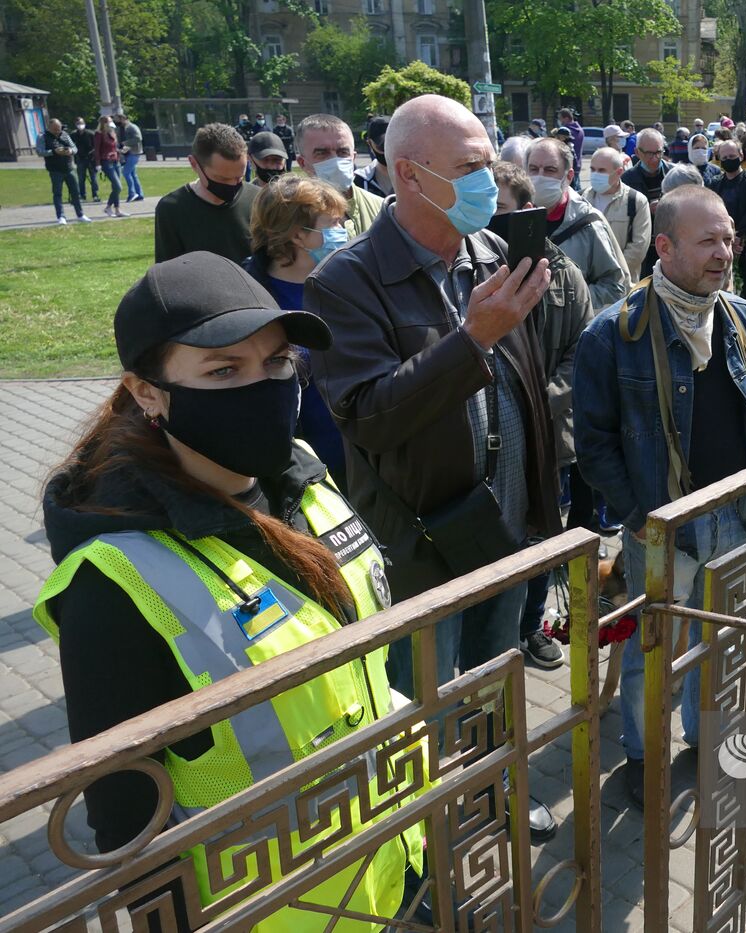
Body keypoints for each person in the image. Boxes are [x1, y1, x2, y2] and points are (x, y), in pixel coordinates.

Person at [34, 251, 423, 929]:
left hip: (391, 860)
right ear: (147, 391)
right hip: (272, 910)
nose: (265, 388)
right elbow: (124, 821)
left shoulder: (303, 476)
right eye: (223, 370)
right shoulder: (114, 583)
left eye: (276, 364)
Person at [304, 94, 559, 842]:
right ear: (410, 177)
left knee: (494, 680)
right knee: (421, 701)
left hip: (505, 525)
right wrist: (471, 338)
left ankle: (490, 796)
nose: (492, 179)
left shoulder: (489, 252)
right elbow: (370, 415)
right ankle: (418, 841)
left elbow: (529, 380)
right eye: (472, 167)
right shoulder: (346, 281)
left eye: (488, 161)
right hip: (425, 541)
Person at [573, 185, 746, 808]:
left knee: (715, 642)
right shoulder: (612, 335)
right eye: (708, 241)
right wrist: (639, 521)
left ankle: (704, 741)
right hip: (661, 529)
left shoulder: (744, 317)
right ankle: (642, 755)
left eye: (729, 238)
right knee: (650, 648)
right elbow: (594, 447)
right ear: (662, 247)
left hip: (738, 517)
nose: (725, 252)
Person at [490, 160, 594, 670]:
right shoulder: (465, 272)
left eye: (502, 210)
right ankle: (488, 635)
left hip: (549, 437)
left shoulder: (564, 275)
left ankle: (530, 626)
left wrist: (540, 399)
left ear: (527, 214)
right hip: (483, 444)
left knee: (540, 537)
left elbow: (582, 351)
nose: (491, 221)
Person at [242, 174, 350, 484]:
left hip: (360, 455)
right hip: (294, 465)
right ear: (299, 236)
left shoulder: (348, 280)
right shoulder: (249, 296)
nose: (342, 233)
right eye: (333, 225)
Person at [527, 136, 630, 309]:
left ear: (568, 176)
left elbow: (615, 287)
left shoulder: (589, 223)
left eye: (550, 170)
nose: (540, 177)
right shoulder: (516, 214)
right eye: (533, 169)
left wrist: (565, 301)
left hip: (573, 331)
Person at [153, 123, 254, 263]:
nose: (232, 185)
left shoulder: (259, 199)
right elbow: (166, 273)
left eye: (239, 177)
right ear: (194, 164)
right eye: (222, 179)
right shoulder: (171, 209)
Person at [295, 113, 384, 238]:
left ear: (353, 157)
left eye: (343, 152)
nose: (335, 161)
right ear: (302, 163)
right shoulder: (292, 217)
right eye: (322, 153)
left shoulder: (381, 209)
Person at [707, 138, 746, 319]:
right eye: (724, 157)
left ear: (741, 155)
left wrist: (738, 235)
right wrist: (728, 240)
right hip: (722, 245)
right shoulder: (715, 183)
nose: (728, 160)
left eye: (732, 156)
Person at [585, 145, 651, 283]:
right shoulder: (582, 199)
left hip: (622, 286)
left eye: (602, 171)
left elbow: (639, 246)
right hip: (587, 285)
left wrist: (610, 272)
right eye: (593, 169)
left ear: (619, 172)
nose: (595, 174)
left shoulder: (636, 201)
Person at [621, 127, 672, 277]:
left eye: (658, 152)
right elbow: (622, 216)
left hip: (670, 246)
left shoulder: (673, 174)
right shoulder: (626, 179)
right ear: (637, 152)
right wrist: (643, 209)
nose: (655, 158)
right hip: (641, 248)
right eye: (649, 153)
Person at [38, 119, 90, 225]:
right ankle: (61, 217)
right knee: (57, 193)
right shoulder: (42, 137)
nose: (58, 131)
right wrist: (54, 152)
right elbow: (40, 152)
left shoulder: (65, 135)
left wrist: (71, 151)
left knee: (76, 192)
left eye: (59, 128)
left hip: (69, 168)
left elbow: (74, 148)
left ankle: (80, 214)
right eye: (55, 129)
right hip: (55, 170)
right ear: (49, 128)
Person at [95, 116, 127, 219]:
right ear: (104, 123)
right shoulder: (99, 134)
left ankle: (117, 209)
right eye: (109, 122)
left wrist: (121, 150)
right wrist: (98, 163)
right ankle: (108, 207)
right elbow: (97, 150)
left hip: (115, 161)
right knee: (118, 186)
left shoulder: (112, 132)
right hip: (106, 162)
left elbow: (114, 147)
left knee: (115, 187)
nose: (111, 123)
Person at [354, 115, 393, 198]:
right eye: (382, 145)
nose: (388, 150)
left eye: (392, 143)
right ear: (369, 144)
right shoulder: (359, 181)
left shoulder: (418, 175)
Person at [111, 113, 143, 204]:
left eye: (117, 120)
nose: (116, 122)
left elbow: (138, 138)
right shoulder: (120, 128)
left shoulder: (132, 127)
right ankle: (140, 194)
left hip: (134, 152)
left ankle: (132, 193)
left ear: (122, 119)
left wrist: (124, 143)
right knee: (133, 174)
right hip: (126, 153)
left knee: (126, 172)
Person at [71, 116, 99, 204]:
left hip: (91, 159)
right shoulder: (73, 135)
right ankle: (82, 196)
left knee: (93, 178)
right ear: (75, 125)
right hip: (80, 159)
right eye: (78, 124)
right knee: (81, 178)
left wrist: (93, 154)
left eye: (82, 123)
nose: (80, 125)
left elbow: (96, 146)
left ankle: (95, 195)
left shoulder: (91, 134)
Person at [557, 107, 584, 179]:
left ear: (566, 118)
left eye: (560, 118)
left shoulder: (565, 131)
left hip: (567, 166)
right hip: (577, 164)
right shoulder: (580, 130)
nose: (559, 121)